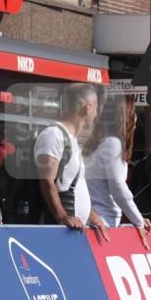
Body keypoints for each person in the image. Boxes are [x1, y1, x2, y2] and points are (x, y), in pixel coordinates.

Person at [34, 83, 108, 236]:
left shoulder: (72, 139)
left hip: (73, 231)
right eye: (96, 107)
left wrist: (90, 215)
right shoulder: (54, 135)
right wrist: (63, 217)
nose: (96, 113)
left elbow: (69, 184)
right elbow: (47, 182)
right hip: (60, 232)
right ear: (88, 106)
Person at [82, 95, 149, 245]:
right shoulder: (113, 143)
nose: (136, 117)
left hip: (97, 220)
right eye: (134, 111)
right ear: (125, 116)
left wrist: (137, 218)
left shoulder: (96, 142)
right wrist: (138, 221)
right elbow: (118, 187)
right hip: (103, 222)